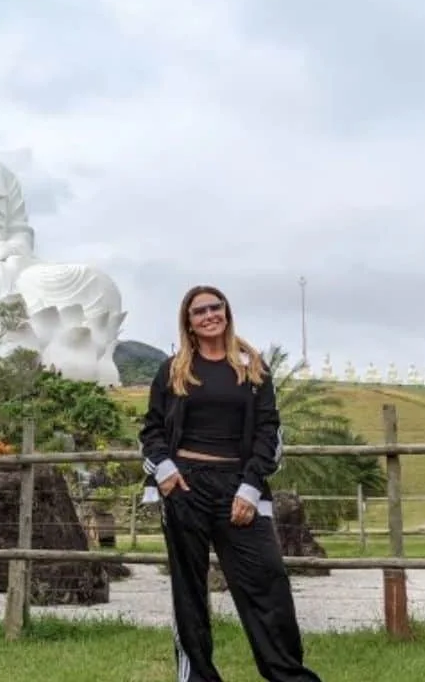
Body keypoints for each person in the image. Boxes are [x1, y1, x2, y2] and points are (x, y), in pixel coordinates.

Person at [140, 285, 323, 682]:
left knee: (268, 583)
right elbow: (151, 430)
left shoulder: (253, 368)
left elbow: (269, 432)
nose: (209, 315)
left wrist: (251, 486)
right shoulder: (172, 370)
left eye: (215, 307)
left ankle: (289, 676)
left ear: (226, 311)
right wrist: (166, 470)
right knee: (188, 593)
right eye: (198, 311)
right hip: (185, 488)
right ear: (188, 322)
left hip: (239, 489)